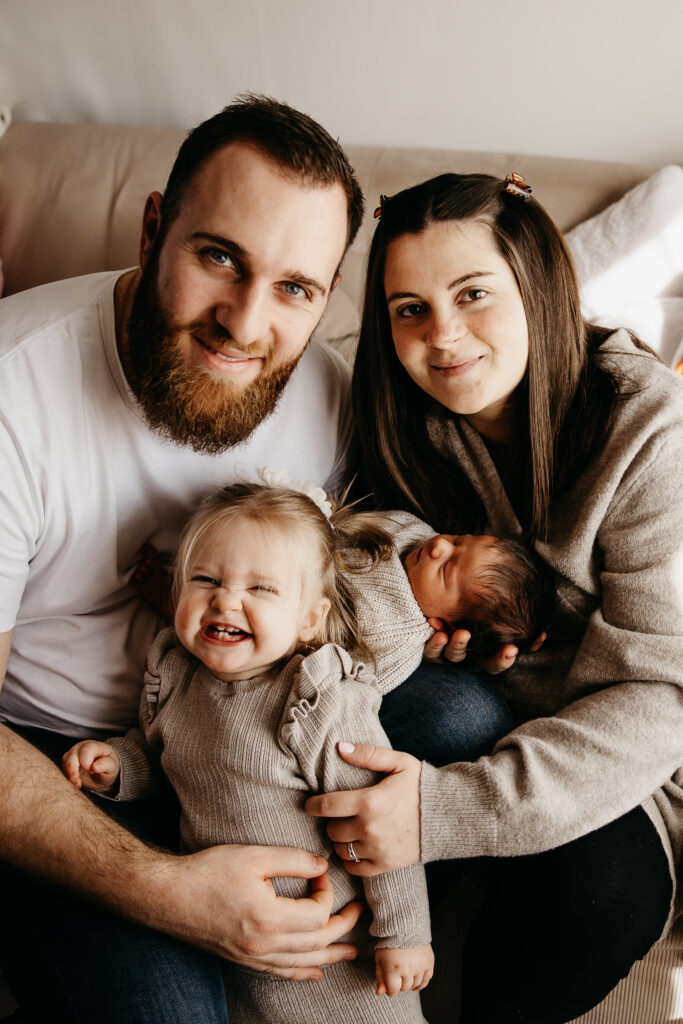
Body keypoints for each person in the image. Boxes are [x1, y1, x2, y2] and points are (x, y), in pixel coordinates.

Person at [0, 94, 370, 1024]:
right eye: (220, 258)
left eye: (294, 288)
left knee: (464, 713)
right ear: (153, 228)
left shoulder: (326, 392)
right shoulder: (14, 389)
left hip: (245, 719)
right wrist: (166, 891)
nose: (244, 324)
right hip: (54, 756)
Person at [306, 172, 683, 1023]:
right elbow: (340, 559)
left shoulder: (648, 429)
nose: (442, 338)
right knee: (417, 717)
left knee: (599, 891)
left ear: (538, 286)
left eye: (472, 294)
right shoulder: (388, 416)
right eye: (409, 309)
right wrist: (414, 611)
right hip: (462, 705)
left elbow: (659, 696)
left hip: (620, 756)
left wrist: (441, 814)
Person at [62, 479, 435, 1023]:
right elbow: (165, 758)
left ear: (309, 619)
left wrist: (406, 934)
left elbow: (383, 828)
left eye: (261, 588)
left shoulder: (317, 699)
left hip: (342, 962)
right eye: (205, 580)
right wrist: (118, 766)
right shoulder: (176, 677)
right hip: (237, 946)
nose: (225, 600)